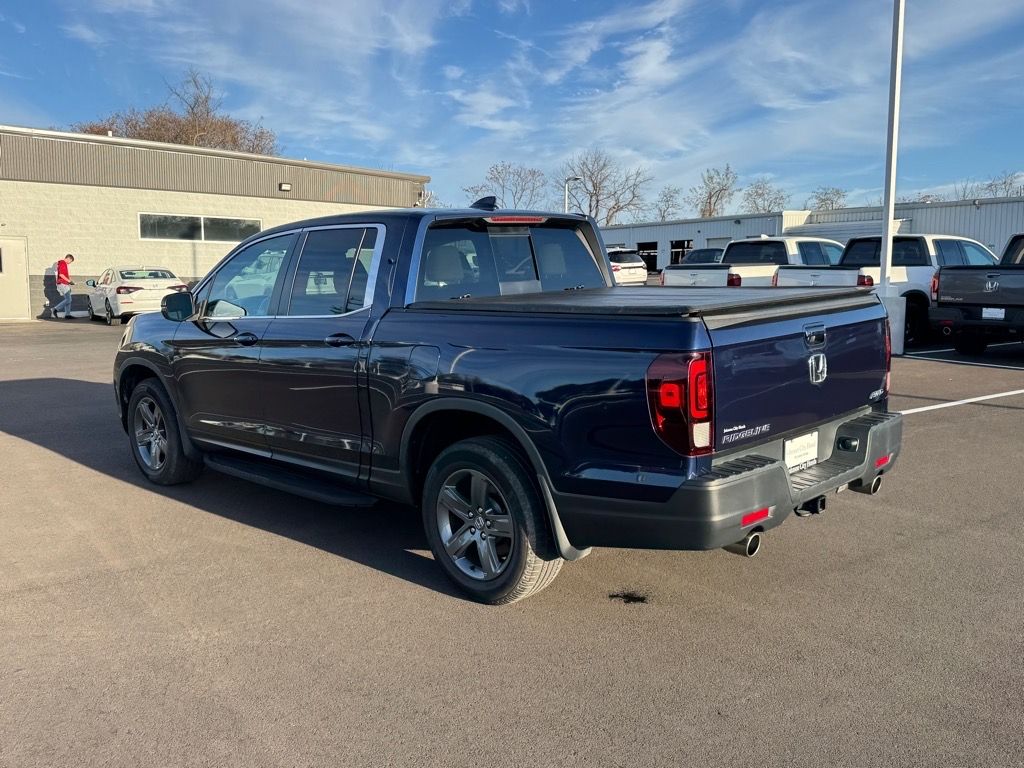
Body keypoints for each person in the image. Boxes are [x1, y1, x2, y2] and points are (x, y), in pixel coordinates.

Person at [52, 254, 76, 319]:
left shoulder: (62, 263)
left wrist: (69, 282)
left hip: (64, 283)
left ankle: (67, 314)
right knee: (68, 299)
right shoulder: (63, 263)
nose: (70, 263)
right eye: (71, 261)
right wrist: (69, 281)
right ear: (69, 259)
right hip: (62, 284)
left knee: (68, 299)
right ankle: (55, 309)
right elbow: (61, 274)